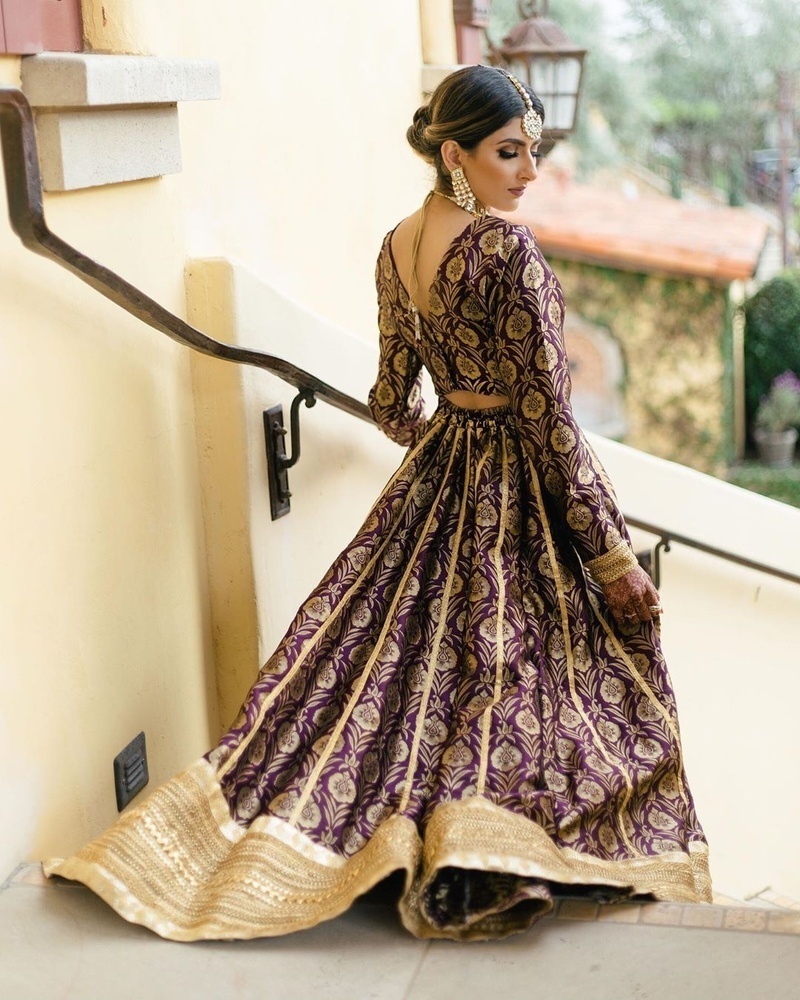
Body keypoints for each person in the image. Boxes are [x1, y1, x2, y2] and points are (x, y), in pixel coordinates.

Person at [45, 65, 711, 942]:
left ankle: (420, 827)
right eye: (509, 152)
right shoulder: (509, 252)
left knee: (408, 663)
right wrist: (608, 551)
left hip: (439, 474)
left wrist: (451, 411)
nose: (529, 173)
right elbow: (551, 418)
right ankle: (502, 846)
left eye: (534, 152)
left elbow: (395, 399)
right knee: (521, 667)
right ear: (454, 153)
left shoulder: (395, 247)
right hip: (513, 474)